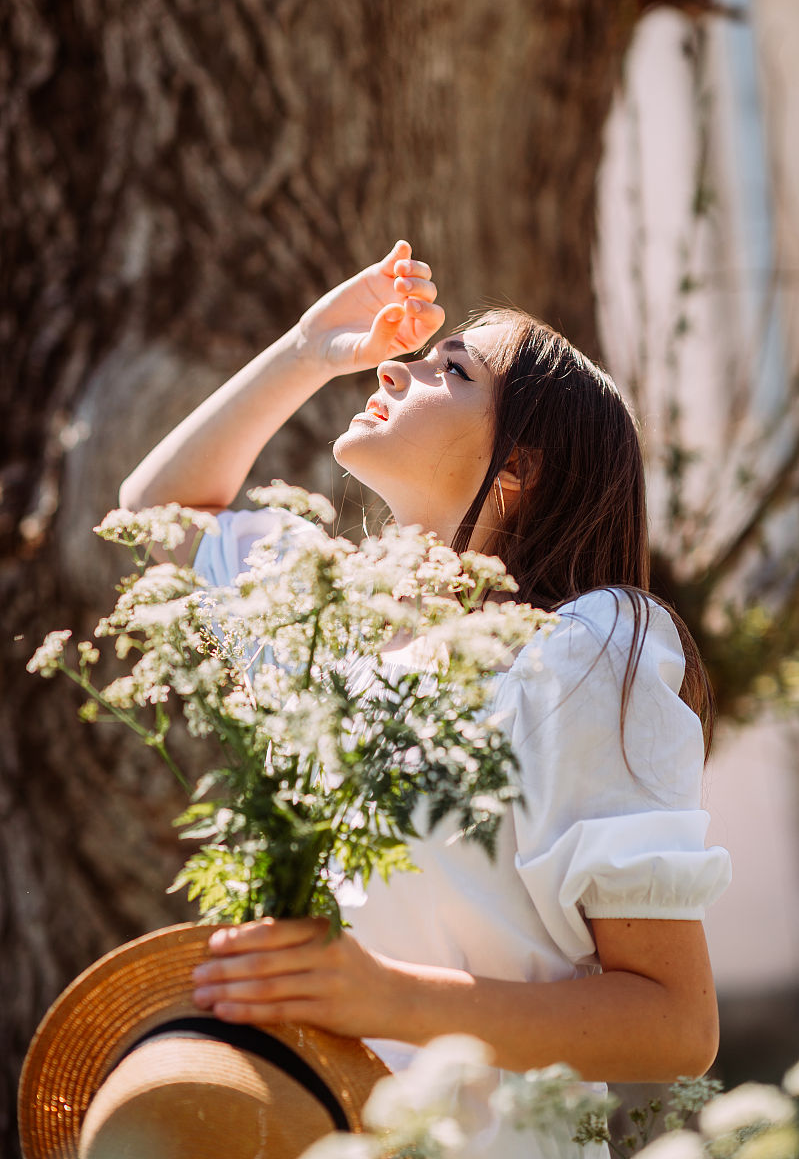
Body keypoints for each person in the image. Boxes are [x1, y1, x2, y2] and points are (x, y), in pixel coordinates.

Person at [119, 240, 730, 1147]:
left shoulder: (579, 652)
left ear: (518, 465)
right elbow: (151, 513)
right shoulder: (322, 606)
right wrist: (306, 347)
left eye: (451, 368)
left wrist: (386, 999)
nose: (397, 366)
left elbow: (675, 1024)